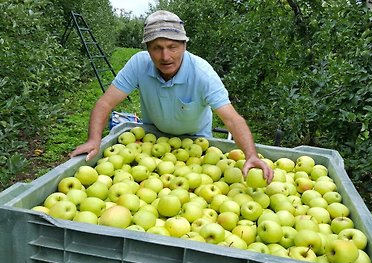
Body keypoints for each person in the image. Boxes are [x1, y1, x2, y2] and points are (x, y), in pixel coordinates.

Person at [70, 10, 274, 182]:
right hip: (152, 142)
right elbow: (105, 103)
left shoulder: (202, 74)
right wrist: (94, 140)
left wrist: (251, 155)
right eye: (157, 48)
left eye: (172, 47)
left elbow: (232, 118)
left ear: (184, 45)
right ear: (148, 49)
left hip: (196, 145)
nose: (165, 57)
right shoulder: (138, 64)